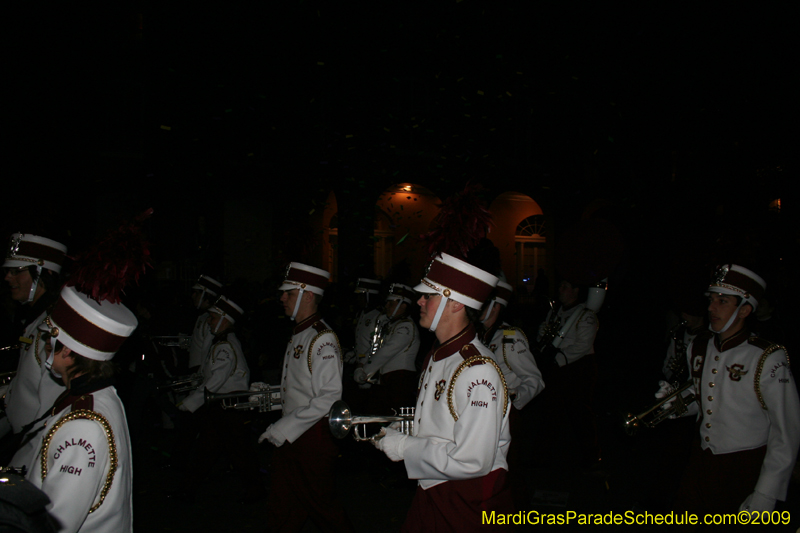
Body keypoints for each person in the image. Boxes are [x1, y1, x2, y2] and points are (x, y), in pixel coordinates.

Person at [374, 253, 513, 531]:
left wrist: (404, 446)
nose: (419, 301)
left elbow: (472, 461)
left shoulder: (477, 368)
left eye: (429, 295)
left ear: (457, 302)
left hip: (466, 501)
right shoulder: (439, 354)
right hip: (433, 488)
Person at [666, 265, 800, 518]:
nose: (711, 308)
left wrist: (765, 494)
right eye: (711, 300)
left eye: (722, 301)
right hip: (701, 460)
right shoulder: (699, 344)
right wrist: (672, 405)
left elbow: (786, 432)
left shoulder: (767, 357)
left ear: (745, 310)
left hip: (744, 466)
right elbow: (702, 396)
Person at [11, 285, 136, 533]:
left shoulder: (83, 424)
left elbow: (56, 523)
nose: (45, 343)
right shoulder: (97, 395)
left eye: (49, 337)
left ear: (66, 348)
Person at [257, 262, 354, 532]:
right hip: (296, 436)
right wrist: (269, 396)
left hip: (312, 437)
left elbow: (328, 397)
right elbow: (300, 390)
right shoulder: (301, 333)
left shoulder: (322, 339)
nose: (282, 298)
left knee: (324, 508)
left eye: (288, 292)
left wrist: (283, 428)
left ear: (307, 295)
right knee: (283, 506)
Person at [172, 295, 262, 502]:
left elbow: (216, 381)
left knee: (236, 452)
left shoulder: (225, 346)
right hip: (223, 408)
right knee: (212, 450)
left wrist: (191, 402)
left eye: (213, 318)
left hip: (228, 407)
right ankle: (187, 489)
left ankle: (255, 490)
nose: (209, 321)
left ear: (224, 320)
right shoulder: (224, 342)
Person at [479, 279, 544, 508]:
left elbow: (535, 380)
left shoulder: (509, 337)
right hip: (484, 416)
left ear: (496, 306)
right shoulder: (479, 337)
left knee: (509, 470)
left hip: (506, 415)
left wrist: (514, 397)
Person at [1, 233, 68, 444]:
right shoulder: (36, 319)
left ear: (42, 273)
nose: (7, 278)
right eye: (8, 271)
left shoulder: (53, 327)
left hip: (38, 444)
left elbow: (53, 403)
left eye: (16, 271)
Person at [534, 278, 600, 468]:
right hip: (556, 367)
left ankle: (591, 458)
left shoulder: (586, 315)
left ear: (576, 291)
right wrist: (542, 334)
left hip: (577, 368)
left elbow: (583, 345)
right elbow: (545, 337)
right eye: (560, 285)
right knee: (551, 411)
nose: (560, 289)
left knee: (580, 413)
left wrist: (559, 360)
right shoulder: (556, 311)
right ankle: (546, 456)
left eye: (565, 286)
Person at [354, 282, 420, 412]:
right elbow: (377, 346)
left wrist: (364, 372)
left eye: (391, 303)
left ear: (403, 306)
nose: (387, 306)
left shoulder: (406, 327)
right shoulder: (392, 324)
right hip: (387, 382)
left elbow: (385, 352)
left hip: (400, 383)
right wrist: (361, 364)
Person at [186, 275, 223, 372]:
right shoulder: (202, 317)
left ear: (206, 297)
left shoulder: (210, 321)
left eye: (197, 293)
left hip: (200, 374)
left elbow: (207, 353)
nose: (193, 296)